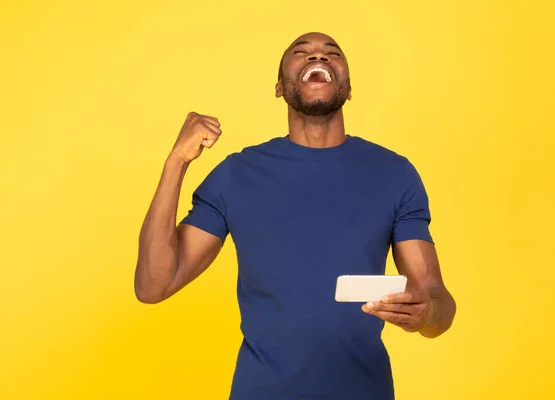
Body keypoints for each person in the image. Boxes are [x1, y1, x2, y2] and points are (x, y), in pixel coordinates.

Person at [134, 31, 456, 400]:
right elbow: (153, 286)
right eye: (301, 53)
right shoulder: (236, 175)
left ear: (348, 88)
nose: (317, 57)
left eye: (331, 53)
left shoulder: (394, 173)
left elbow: (439, 307)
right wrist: (176, 162)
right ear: (279, 87)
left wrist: (425, 313)